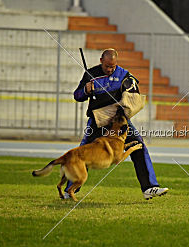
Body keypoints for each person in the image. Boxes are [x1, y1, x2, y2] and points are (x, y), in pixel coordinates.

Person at [64, 48, 169, 200]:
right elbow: (77, 95)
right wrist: (85, 91)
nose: (110, 69)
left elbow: (133, 92)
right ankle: (69, 190)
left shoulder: (124, 75)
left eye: (113, 66)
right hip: (97, 121)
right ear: (101, 61)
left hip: (118, 122)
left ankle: (149, 187)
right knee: (82, 153)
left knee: (139, 145)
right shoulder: (90, 74)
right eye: (107, 66)